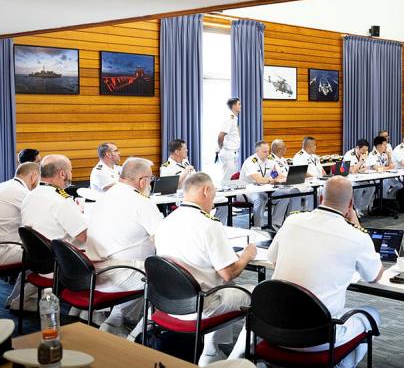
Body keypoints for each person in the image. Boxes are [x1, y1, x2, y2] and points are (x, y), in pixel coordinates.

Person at [249, 176, 382, 367]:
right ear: (351, 204)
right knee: (371, 315)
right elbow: (374, 276)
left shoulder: (292, 221)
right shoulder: (357, 237)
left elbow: (272, 258)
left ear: (320, 198)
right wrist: (357, 225)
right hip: (317, 338)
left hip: (271, 328)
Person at [154, 172, 255, 365]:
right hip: (199, 305)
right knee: (256, 295)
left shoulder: (166, 221)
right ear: (206, 191)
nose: (214, 201)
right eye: (214, 194)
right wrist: (247, 255)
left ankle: (211, 350)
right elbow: (228, 273)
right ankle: (235, 360)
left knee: (224, 287)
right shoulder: (208, 225)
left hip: (168, 301)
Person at [86, 158, 163, 336]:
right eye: (151, 180)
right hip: (120, 271)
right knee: (165, 277)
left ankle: (114, 321)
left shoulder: (106, 196)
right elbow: (163, 237)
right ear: (142, 181)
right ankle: (137, 336)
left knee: (144, 268)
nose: (150, 184)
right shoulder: (141, 201)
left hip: (94, 270)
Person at [0, 162, 40, 311]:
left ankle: (16, 298)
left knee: (33, 251)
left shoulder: (5, 185)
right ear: (34, 176)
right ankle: (23, 300)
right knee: (46, 256)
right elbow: (38, 222)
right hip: (4, 249)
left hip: (6, 244)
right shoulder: (22, 194)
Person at [21, 154, 87, 245]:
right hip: (59, 255)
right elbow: (84, 236)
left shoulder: (29, 196)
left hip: (37, 253)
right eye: (70, 171)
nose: (71, 174)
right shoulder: (61, 199)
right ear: (62, 174)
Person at [343, 139, 375, 217]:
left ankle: (361, 208)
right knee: (358, 187)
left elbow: (366, 168)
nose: (364, 153)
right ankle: (356, 209)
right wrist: (361, 161)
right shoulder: (349, 154)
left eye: (366, 151)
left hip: (360, 178)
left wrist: (360, 168)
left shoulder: (365, 154)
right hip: (350, 180)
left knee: (372, 187)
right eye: (362, 151)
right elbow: (352, 170)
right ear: (357, 148)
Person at [217, 98, 242, 184]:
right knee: (227, 179)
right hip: (228, 152)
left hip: (233, 152)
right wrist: (221, 148)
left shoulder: (234, 118)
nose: (240, 106)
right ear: (234, 106)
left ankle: (230, 196)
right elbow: (221, 135)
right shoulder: (230, 118)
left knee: (231, 178)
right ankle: (224, 197)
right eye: (239, 104)